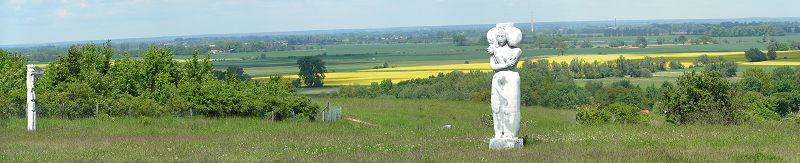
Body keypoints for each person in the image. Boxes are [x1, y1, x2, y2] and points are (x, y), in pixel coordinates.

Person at [486, 23, 522, 139]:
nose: (499, 39)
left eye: (501, 36)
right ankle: (498, 132)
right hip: (497, 79)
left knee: (510, 107)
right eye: (498, 36)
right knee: (496, 108)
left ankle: (510, 133)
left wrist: (504, 65)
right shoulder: (493, 50)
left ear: (507, 37)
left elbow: (512, 66)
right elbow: (492, 66)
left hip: (511, 79)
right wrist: (505, 64)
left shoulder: (516, 50)